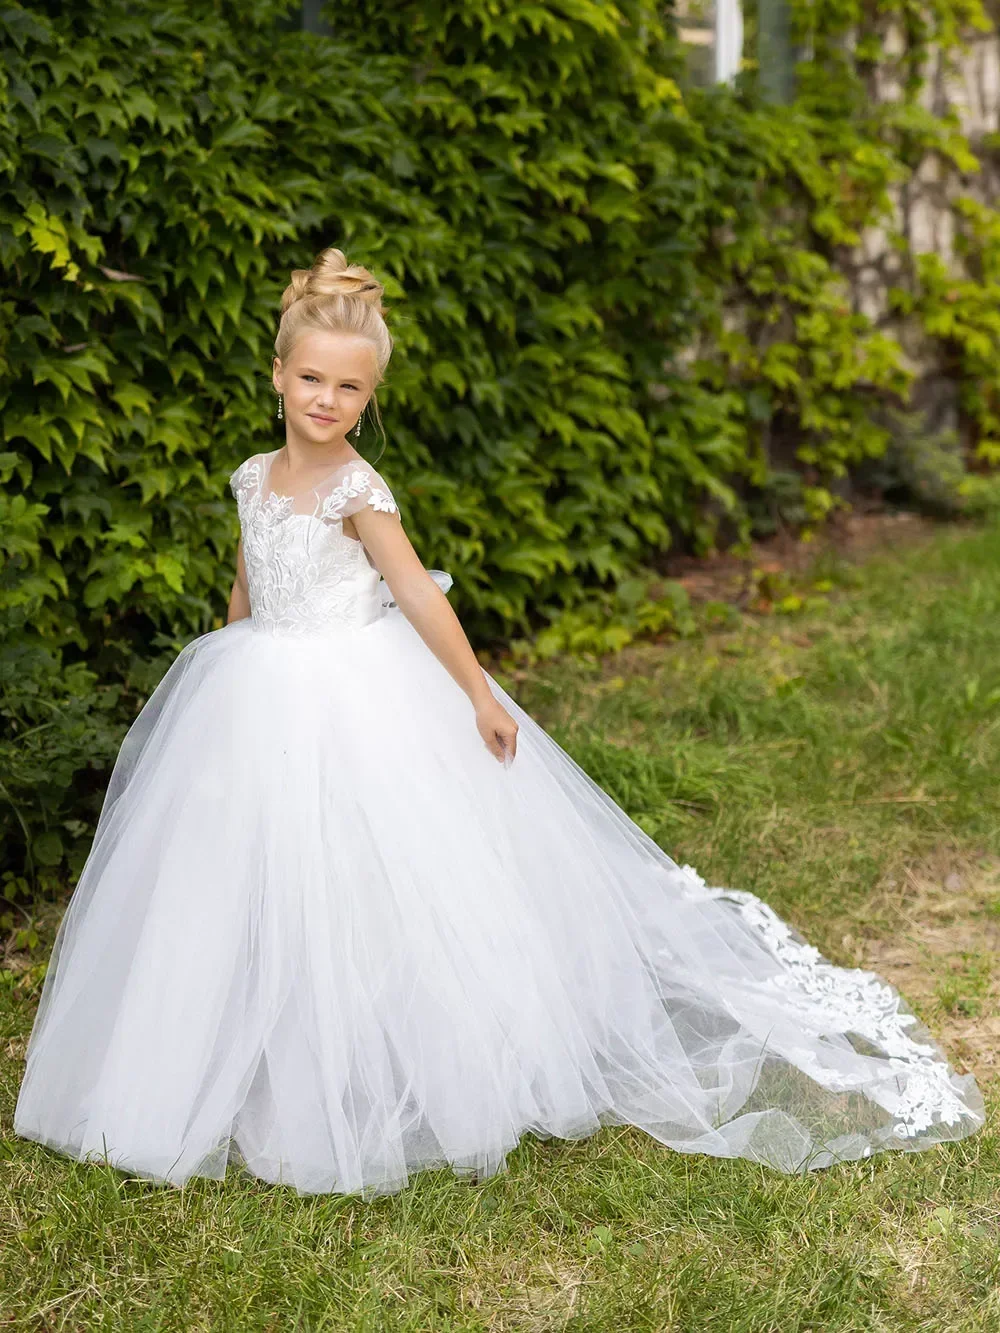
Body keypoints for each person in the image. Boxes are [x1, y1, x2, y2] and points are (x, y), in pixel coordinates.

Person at [14, 247, 985, 1199]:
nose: (325, 400)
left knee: (368, 880)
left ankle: (390, 1061)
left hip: (355, 692)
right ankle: (235, 1058)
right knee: (247, 878)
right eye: (310, 378)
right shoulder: (251, 475)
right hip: (259, 690)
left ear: (369, 398)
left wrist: (477, 692)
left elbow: (419, 600)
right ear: (277, 373)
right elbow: (246, 578)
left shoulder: (360, 492)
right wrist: (222, 669)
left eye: (348, 389)